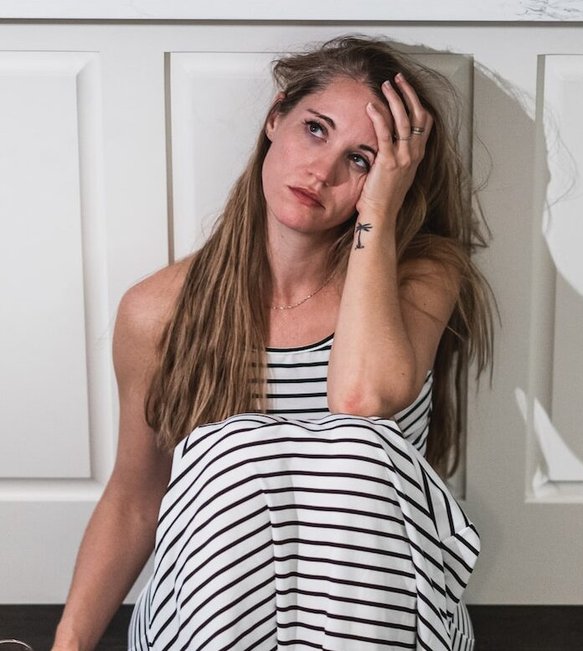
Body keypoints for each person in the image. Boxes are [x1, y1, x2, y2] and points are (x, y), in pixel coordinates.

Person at [51, 35, 494, 650]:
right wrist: (67, 646)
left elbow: (362, 398)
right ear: (275, 118)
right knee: (228, 455)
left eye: (362, 160)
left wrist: (377, 217)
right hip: (218, 614)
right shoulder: (159, 312)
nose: (323, 171)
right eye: (315, 130)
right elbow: (134, 496)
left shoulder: (418, 276)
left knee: (358, 453)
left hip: (377, 617)